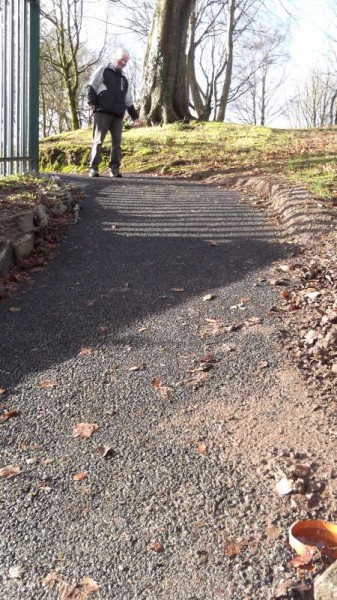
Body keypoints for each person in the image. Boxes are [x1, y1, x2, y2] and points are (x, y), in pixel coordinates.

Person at [87, 48, 140, 178]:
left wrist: (135, 117)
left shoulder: (124, 79)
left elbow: (128, 100)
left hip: (118, 115)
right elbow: (92, 85)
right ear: (115, 57)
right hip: (102, 111)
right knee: (98, 141)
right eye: (122, 59)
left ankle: (114, 169)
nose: (123, 63)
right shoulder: (104, 69)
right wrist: (91, 102)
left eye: (126, 61)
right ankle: (93, 168)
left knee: (117, 143)